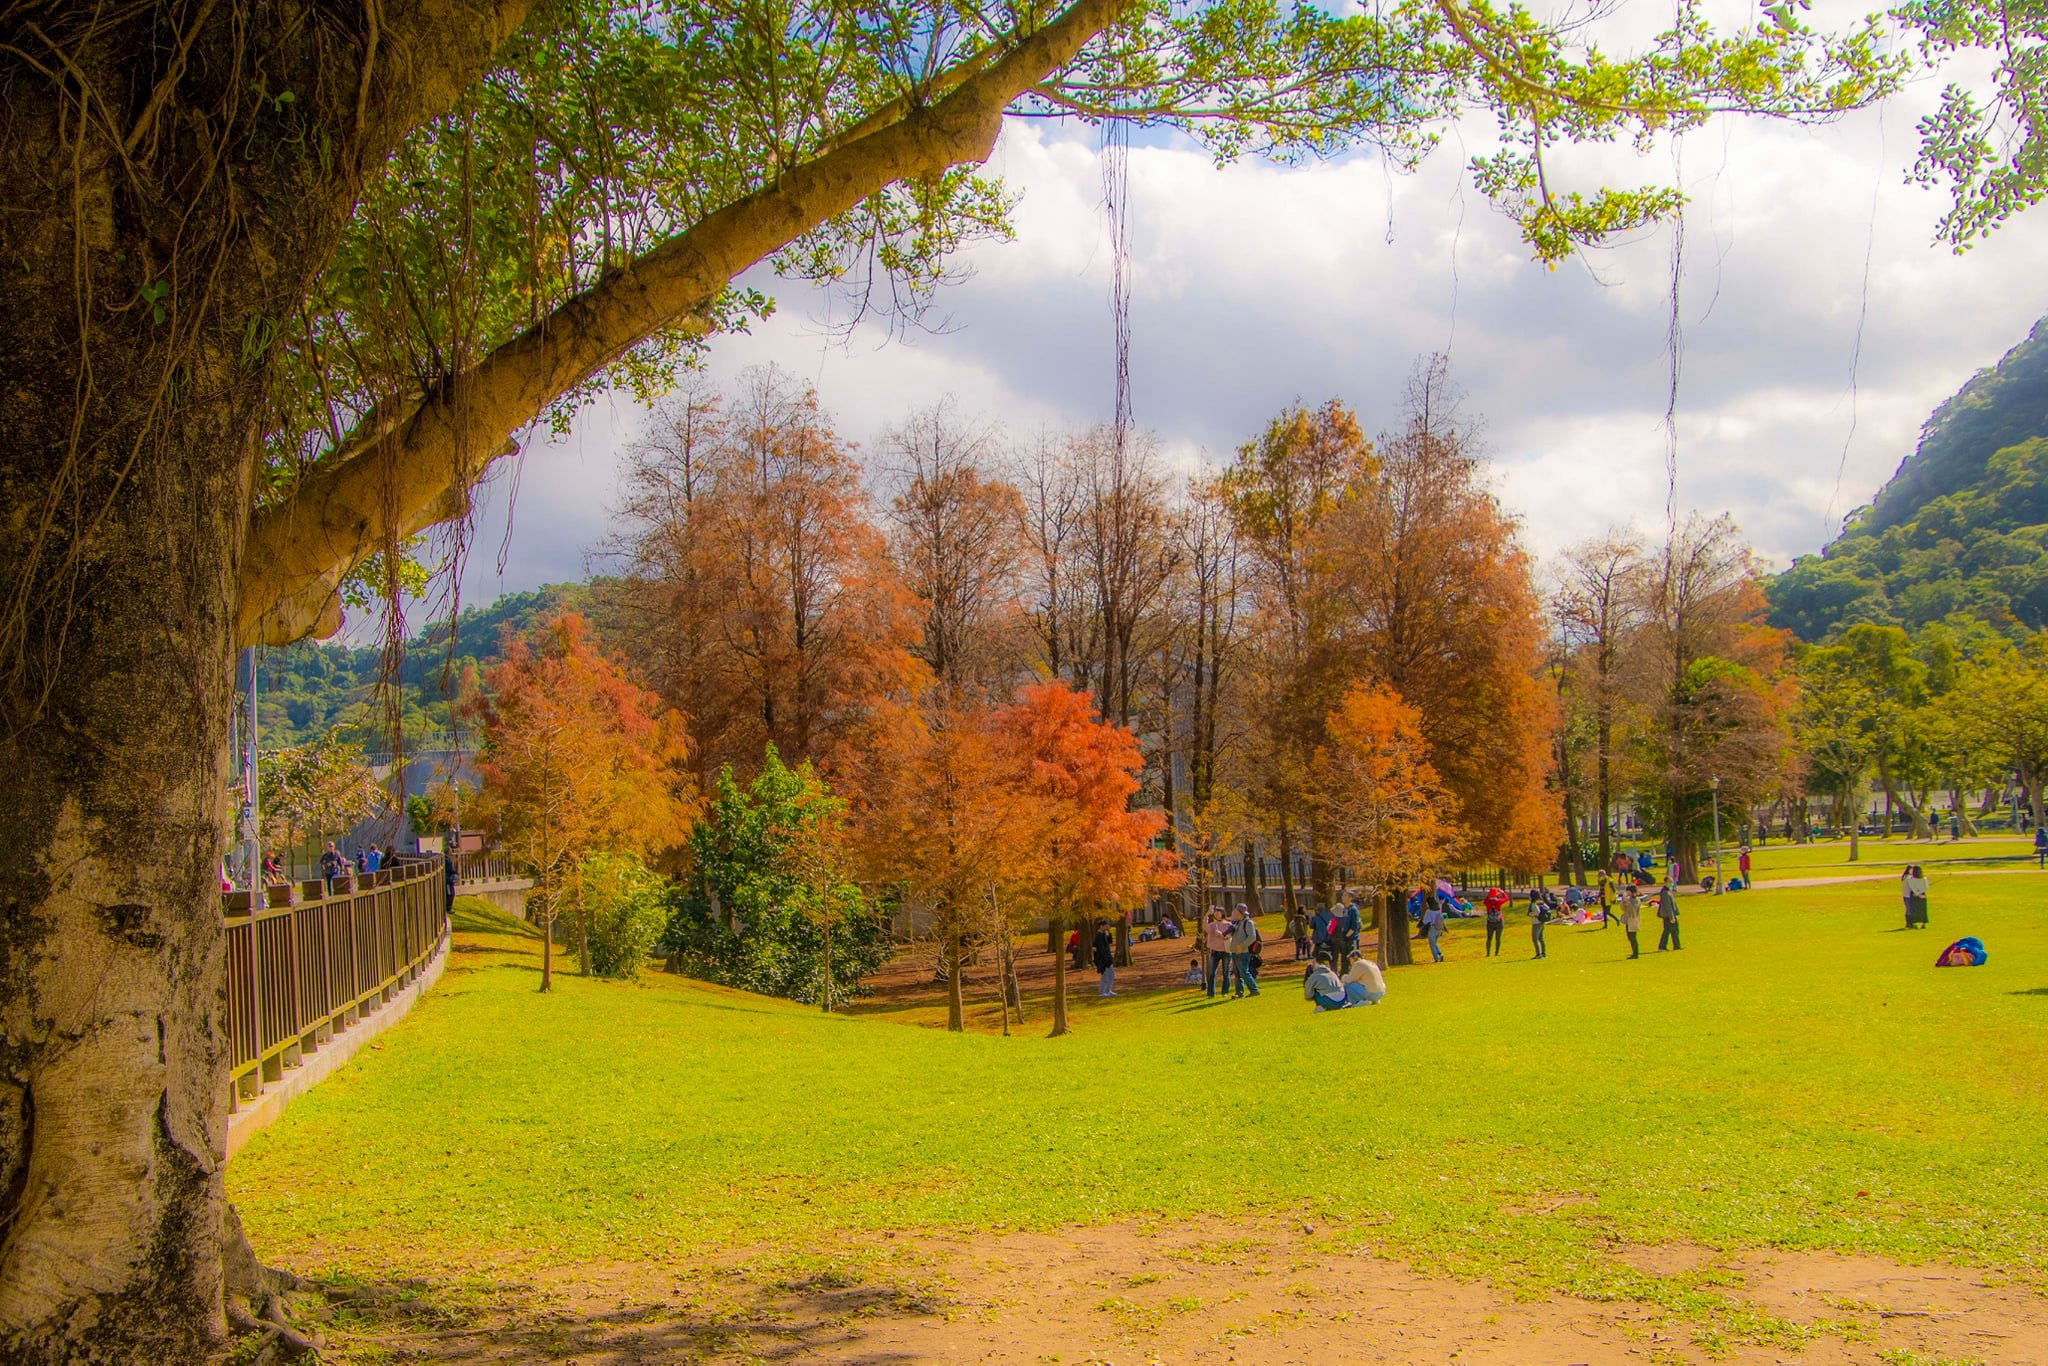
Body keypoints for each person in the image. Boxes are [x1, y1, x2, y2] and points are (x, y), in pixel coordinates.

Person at [1227, 904, 1261, 998]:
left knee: (1244, 972)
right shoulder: (1237, 923)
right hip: (1235, 952)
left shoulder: (1248, 923)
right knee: (1237, 973)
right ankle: (1239, 992)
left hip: (1243, 952)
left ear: (1241, 912)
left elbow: (1252, 937)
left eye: (1235, 911)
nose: (1234, 913)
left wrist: (1241, 946)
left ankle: (1254, 990)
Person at [1203, 909, 1232, 998]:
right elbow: (1204, 926)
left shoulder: (1228, 924)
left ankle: (1225, 992)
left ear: (1222, 913)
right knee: (1211, 973)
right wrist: (1207, 914)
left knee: (1226, 972)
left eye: (1218, 912)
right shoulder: (1212, 925)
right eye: (1215, 912)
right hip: (1214, 951)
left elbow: (1230, 935)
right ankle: (1211, 993)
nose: (1216, 913)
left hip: (1226, 951)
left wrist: (1221, 935)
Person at [1093, 921, 1117, 996]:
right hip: (1102, 959)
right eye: (1106, 926)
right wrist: (1105, 959)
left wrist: (1109, 933)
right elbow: (1100, 949)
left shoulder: (1104, 934)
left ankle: (1108, 990)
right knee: (1105, 975)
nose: (1107, 927)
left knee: (1111, 974)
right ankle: (1102, 992)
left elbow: (1110, 942)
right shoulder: (1098, 936)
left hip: (1108, 957)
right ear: (1101, 926)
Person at [1618, 884, 1642, 959]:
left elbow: (1633, 911)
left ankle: (1635, 953)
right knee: (1630, 937)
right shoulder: (1628, 899)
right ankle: (1634, 951)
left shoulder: (1636, 900)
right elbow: (1623, 908)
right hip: (1628, 920)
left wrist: (1628, 903)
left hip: (1633, 920)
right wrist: (1623, 903)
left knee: (1632, 937)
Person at [1482, 886, 1508, 957]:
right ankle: (1496, 953)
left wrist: (1488, 895)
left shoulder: (1487, 902)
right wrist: (1502, 892)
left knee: (1489, 938)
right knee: (1498, 938)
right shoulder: (1498, 902)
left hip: (1490, 922)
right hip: (1499, 921)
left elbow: (1485, 901)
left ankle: (1488, 953)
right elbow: (1506, 898)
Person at [1656, 879, 1681, 951]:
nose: (1671, 884)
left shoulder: (1668, 891)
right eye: (1670, 882)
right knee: (1670, 931)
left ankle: (1675, 945)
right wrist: (1671, 917)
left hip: (1668, 915)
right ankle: (1665, 946)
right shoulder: (1665, 893)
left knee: (1670, 931)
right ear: (1665, 882)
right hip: (1668, 916)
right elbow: (1668, 906)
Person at [1420, 894, 1446, 963]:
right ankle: (1440, 954)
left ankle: (1436, 958)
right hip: (1439, 928)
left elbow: (1425, 921)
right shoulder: (1438, 910)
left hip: (1432, 928)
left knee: (1432, 944)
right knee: (1434, 943)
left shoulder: (1429, 911)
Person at [1530, 888, 1551, 960]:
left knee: (1535, 939)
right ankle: (1543, 953)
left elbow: (1537, 912)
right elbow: (1548, 908)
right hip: (1542, 922)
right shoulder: (1541, 903)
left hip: (1536, 922)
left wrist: (1530, 914)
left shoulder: (1533, 904)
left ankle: (1538, 954)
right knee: (1541, 938)